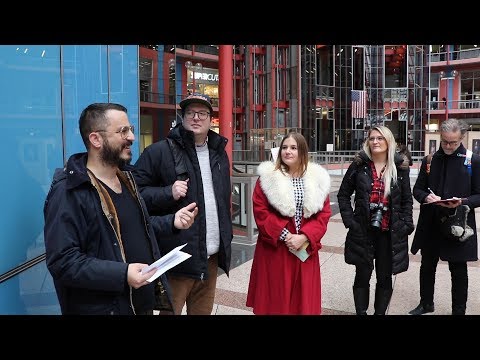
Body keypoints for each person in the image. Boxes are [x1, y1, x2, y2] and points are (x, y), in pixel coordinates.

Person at [44, 103, 198, 315]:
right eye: (122, 131)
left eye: (130, 129)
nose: (132, 138)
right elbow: (63, 261)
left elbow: (134, 226)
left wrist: (172, 221)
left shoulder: (127, 179)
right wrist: (123, 273)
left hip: (137, 305)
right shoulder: (69, 192)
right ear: (96, 139)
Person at [133, 93, 232, 315]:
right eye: (190, 113)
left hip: (211, 258)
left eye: (202, 113)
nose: (196, 117)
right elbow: (134, 194)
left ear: (210, 119)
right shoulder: (159, 152)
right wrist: (168, 192)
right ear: (183, 117)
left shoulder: (219, 154)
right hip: (177, 259)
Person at [246, 132, 331, 315]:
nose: (288, 151)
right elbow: (260, 211)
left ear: (302, 151)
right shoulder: (268, 179)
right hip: (276, 249)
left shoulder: (318, 179)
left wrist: (305, 237)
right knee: (276, 300)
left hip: (305, 248)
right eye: (284, 147)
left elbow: (324, 214)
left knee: (303, 302)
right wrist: (286, 235)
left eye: (293, 148)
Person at [337, 126, 414, 315]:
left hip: (390, 233)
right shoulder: (359, 165)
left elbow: (406, 200)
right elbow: (343, 195)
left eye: (380, 138)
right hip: (363, 230)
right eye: (372, 138)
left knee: (385, 277)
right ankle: (361, 312)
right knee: (362, 275)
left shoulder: (399, 168)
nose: (375, 142)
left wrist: (406, 224)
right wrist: (350, 221)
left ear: (388, 142)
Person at [409, 118, 480, 315]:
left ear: (462, 138)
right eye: (445, 141)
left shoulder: (472, 160)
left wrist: (463, 202)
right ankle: (426, 303)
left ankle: (459, 310)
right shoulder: (430, 160)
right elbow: (418, 190)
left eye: (453, 142)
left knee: (458, 270)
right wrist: (426, 197)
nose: (448, 146)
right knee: (427, 265)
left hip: (458, 223)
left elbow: (479, 194)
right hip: (431, 221)